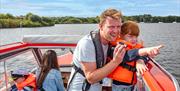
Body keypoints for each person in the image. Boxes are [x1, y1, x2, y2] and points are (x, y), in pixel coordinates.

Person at [67, 8, 162, 91]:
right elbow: (91, 78)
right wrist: (116, 61)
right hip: (81, 88)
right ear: (100, 26)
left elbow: (130, 53)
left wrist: (140, 60)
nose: (116, 31)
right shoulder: (87, 44)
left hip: (97, 87)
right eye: (111, 27)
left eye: (118, 26)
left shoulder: (110, 40)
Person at [108, 21, 148, 91]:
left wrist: (140, 60)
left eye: (136, 36)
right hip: (120, 85)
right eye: (130, 36)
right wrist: (139, 53)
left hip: (132, 83)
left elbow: (145, 55)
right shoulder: (117, 46)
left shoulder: (135, 46)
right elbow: (126, 56)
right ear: (121, 35)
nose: (134, 39)